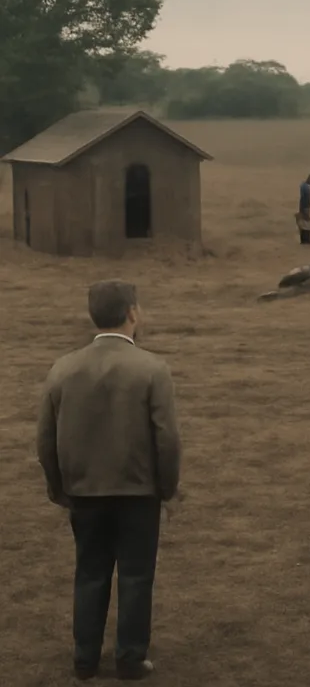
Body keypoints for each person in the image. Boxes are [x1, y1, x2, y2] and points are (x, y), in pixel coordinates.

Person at [36, 280, 181, 681]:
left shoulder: (63, 368)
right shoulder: (152, 369)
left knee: (90, 572)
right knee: (136, 575)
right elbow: (167, 439)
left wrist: (58, 488)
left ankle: (85, 658)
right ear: (132, 312)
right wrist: (166, 487)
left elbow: (45, 439)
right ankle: (130, 658)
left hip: (84, 491)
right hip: (138, 492)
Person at [296, 173, 310, 244]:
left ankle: (304, 240)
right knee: (306, 223)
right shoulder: (306, 188)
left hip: (304, 207)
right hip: (305, 207)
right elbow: (306, 199)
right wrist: (306, 209)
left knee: (304, 223)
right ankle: (306, 240)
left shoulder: (304, 186)